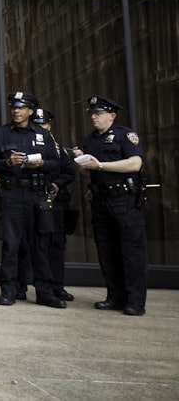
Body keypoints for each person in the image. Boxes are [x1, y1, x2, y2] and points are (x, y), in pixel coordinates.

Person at [0, 92, 65, 308]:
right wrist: (8, 163)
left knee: (39, 244)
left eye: (21, 108)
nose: (16, 111)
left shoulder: (43, 135)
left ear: (31, 111)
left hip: (36, 195)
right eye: (14, 107)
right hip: (12, 195)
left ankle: (45, 292)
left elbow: (57, 163)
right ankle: (8, 291)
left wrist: (41, 165)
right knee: (10, 244)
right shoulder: (0, 134)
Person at [73, 96, 147, 316]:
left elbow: (135, 163)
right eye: (92, 114)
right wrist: (81, 161)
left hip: (124, 200)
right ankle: (114, 296)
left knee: (132, 252)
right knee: (107, 251)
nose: (93, 117)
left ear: (111, 116)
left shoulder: (125, 135)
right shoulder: (91, 139)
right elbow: (87, 171)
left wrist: (101, 165)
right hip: (101, 201)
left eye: (98, 113)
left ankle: (135, 301)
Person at [31, 107, 76, 302]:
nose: (41, 128)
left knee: (56, 245)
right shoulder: (27, 145)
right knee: (31, 244)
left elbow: (69, 172)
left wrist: (57, 184)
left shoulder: (58, 148)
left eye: (43, 125)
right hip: (32, 200)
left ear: (49, 126)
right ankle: (22, 286)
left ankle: (57, 286)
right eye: (37, 125)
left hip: (53, 203)